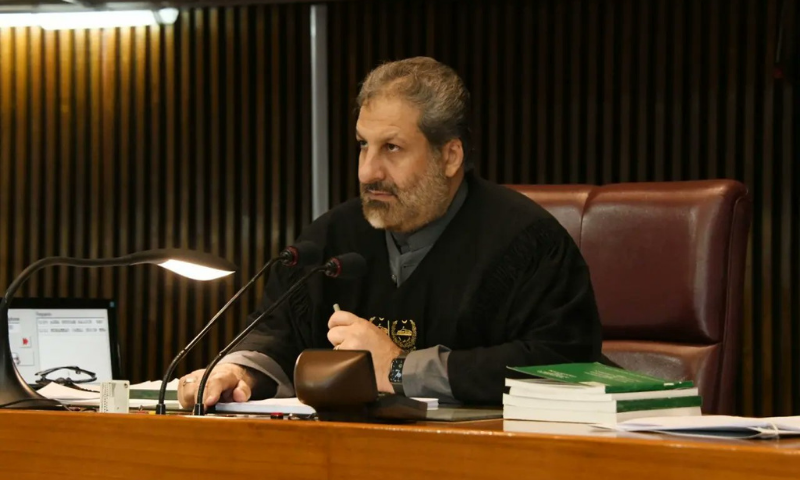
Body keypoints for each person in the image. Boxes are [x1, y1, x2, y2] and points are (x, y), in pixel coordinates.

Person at [178, 56, 602, 409]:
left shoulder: (526, 242)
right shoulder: (331, 238)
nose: (367, 172)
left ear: (450, 155)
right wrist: (238, 371)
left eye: (391, 148)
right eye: (363, 145)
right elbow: (279, 336)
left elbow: (561, 364)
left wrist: (400, 368)